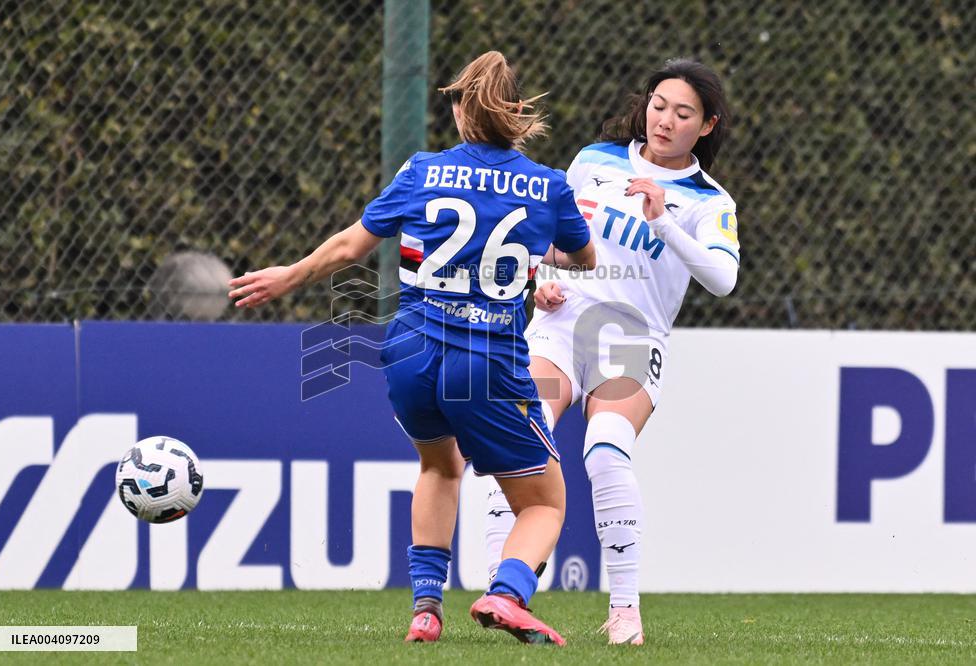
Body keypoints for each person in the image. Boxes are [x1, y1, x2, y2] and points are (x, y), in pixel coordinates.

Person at [228, 51, 595, 646]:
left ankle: (426, 608)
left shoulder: (422, 169)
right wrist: (534, 254)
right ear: (517, 114)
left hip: (410, 353)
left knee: (439, 465)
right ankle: (506, 595)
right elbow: (585, 257)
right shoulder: (548, 186)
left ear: (459, 110)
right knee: (546, 503)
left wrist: (287, 276)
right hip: (486, 367)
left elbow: (351, 247)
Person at [483, 58, 739, 645]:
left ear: (707, 125)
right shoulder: (595, 160)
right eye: (659, 105)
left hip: (630, 338)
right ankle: (504, 594)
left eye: (683, 113)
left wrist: (665, 222)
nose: (665, 120)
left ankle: (624, 614)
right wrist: (535, 277)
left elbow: (723, 279)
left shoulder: (707, 200)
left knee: (605, 451)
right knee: (517, 443)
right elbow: (551, 238)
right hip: (561, 322)